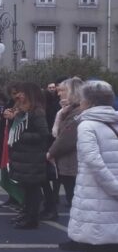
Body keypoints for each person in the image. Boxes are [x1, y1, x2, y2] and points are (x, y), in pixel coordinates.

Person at [68, 80, 118, 252]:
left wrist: (114, 187)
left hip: (96, 196)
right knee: (113, 246)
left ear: (88, 101)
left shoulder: (87, 125)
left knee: (96, 247)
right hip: (110, 197)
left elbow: (93, 161)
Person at [5, 82, 50, 230]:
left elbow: (44, 134)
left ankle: (32, 218)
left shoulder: (37, 112)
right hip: (23, 156)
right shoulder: (24, 112)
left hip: (32, 157)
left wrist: (23, 136)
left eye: (22, 93)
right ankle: (26, 213)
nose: (19, 96)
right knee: (26, 188)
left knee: (33, 189)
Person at [47, 77, 84, 210]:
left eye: (62, 90)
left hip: (72, 162)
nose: (58, 93)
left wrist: (51, 152)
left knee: (74, 199)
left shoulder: (77, 112)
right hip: (68, 162)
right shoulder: (66, 111)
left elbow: (66, 138)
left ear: (73, 92)